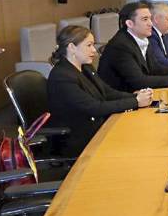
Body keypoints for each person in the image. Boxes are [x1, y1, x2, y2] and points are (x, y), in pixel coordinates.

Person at [47, 25, 153, 159]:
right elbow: (94, 107)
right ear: (72, 47)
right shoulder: (62, 76)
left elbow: (107, 92)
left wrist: (135, 96)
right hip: (77, 139)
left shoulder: (85, 67)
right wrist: (135, 102)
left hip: (96, 126)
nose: (94, 51)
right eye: (89, 45)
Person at [98, 1, 168, 92]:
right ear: (130, 24)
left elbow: (155, 67)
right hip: (121, 99)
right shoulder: (121, 46)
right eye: (145, 19)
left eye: (150, 18)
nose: (150, 24)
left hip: (140, 95)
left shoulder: (142, 38)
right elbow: (139, 81)